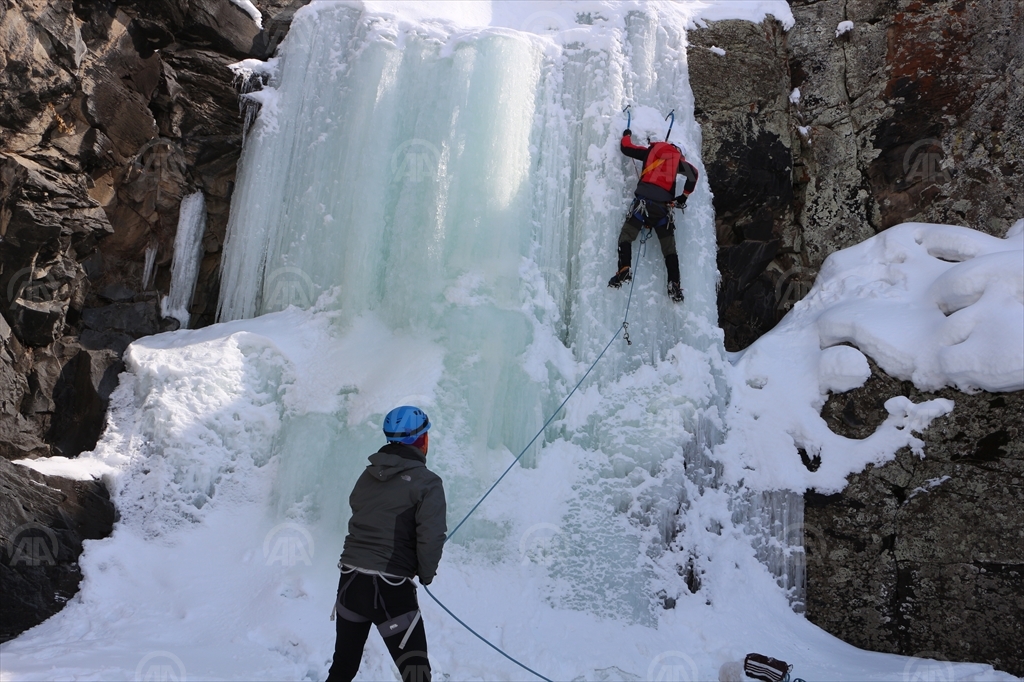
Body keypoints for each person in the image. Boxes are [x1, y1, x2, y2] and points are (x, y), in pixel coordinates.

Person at [327, 406, 447, 682]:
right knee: (416, 674)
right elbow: (432, 535)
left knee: (343, 668)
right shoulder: (427, 482)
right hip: (390, 589)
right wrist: (426, 574)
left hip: (350, 583)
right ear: (422, 440)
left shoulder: (366, 476)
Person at [608, 128, 700, 302]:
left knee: (626, 237)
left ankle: (624, 267)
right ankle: (674, 284)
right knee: (669, 250)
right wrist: (683, 197)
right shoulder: (677, 161)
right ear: (680, 153)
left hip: (643, 205)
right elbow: (693, 175)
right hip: (662, 210)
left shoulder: (651, 150)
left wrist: (627, 134)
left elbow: (626, 148)